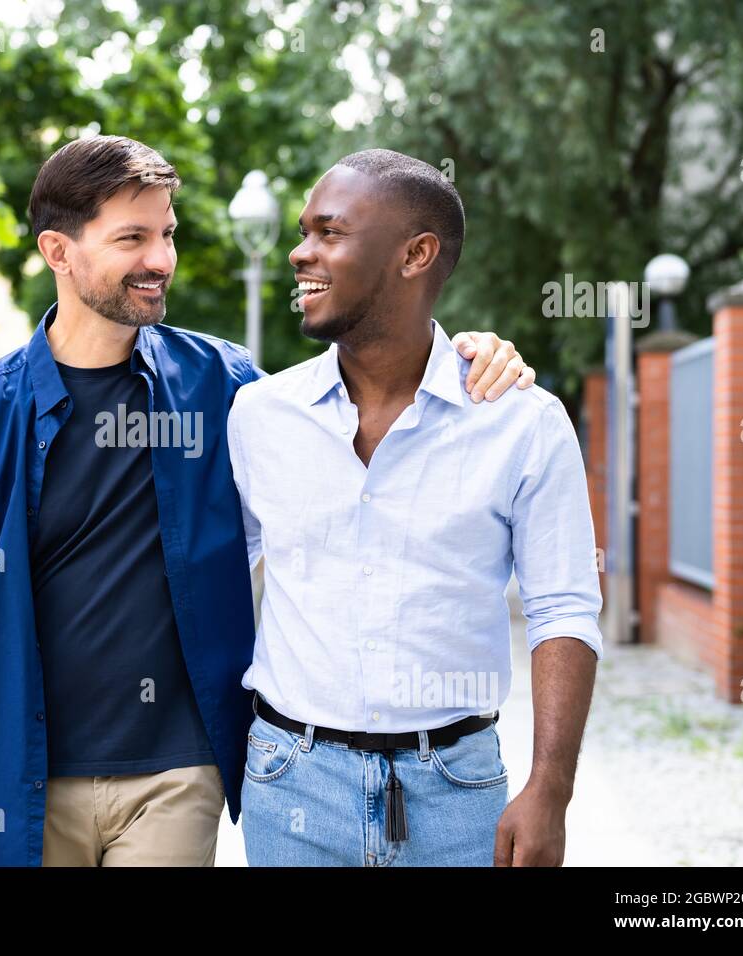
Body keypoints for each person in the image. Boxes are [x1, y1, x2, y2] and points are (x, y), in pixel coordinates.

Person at [0, 136, 534, 867]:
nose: (161, 259)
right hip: (22, 778)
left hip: (176, 772)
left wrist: (462, 352)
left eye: (167, 234)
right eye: (133, 237)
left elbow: (352, 387)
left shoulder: (223, 387)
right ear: (58, 252)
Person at [227, 149, 602, 867]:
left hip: (458, 794)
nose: (300, 253)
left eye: (328, 233)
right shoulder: (259, 414)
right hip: (291, 785)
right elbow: (211, 579)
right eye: (303, 231)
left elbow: (563, 608)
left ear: (416, 254)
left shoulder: (521, 421)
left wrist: (551, 788)